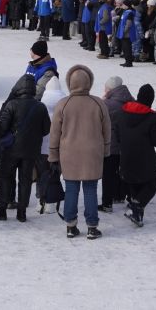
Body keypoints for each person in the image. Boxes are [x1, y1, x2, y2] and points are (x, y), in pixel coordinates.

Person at [49, 65, 111, 239]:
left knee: (71, 189)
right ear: (89, 82)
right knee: (91, 189)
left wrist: (53, 154)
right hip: (93, 153)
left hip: (69, 154)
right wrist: (106, 149)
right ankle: (92, 226)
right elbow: (107, 130)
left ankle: (70, 225)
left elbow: (55, 133)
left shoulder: (64, 104)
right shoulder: (98, 103)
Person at [0, 74, 50, 222]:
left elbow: (2, 127)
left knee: (5, 177)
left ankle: (2, 209)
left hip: (11, 149)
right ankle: (21, 213)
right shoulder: (40, 106)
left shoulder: (12, 104)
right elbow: (46, 129)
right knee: (25, 180)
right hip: (31, 151)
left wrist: (5, 134)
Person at [112, 84, 156, 228]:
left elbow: (117, 132)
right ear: (151, 100)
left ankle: (137, 214)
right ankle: (136, 208)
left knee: (133, 184)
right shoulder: (152, 117)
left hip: (126, 155)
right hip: (145, 157)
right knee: (151, 185)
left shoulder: (122, 112)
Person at [100, 76, 133, 212]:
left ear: (110, 90)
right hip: (128, 144)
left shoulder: (107, 105)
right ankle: (126, 196)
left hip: (111, 144)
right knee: (125, 172)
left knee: (108, 174)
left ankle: (107, 202)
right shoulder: (131, 101)